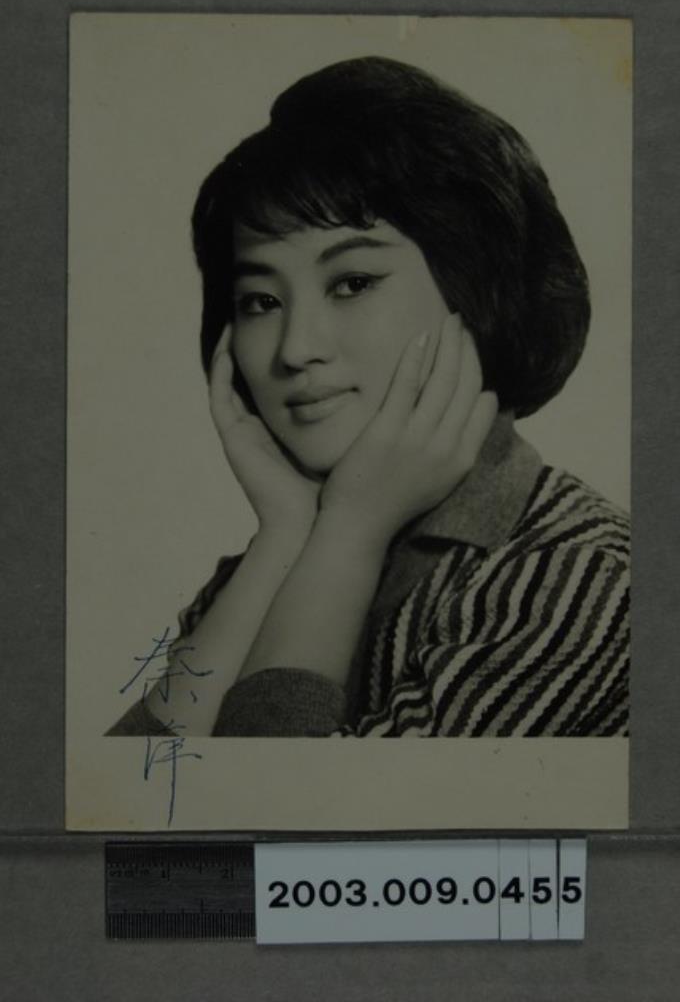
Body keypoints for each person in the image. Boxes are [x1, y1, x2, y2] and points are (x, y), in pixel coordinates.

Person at [108, 56, 629, 739]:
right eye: (260, 300)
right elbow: (133, 799)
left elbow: (276, 802)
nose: (295, 349)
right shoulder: (267, 568)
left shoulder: (578, 581)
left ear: (477, 291)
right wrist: (286, 535)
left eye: (352, 284)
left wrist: (347, 532)